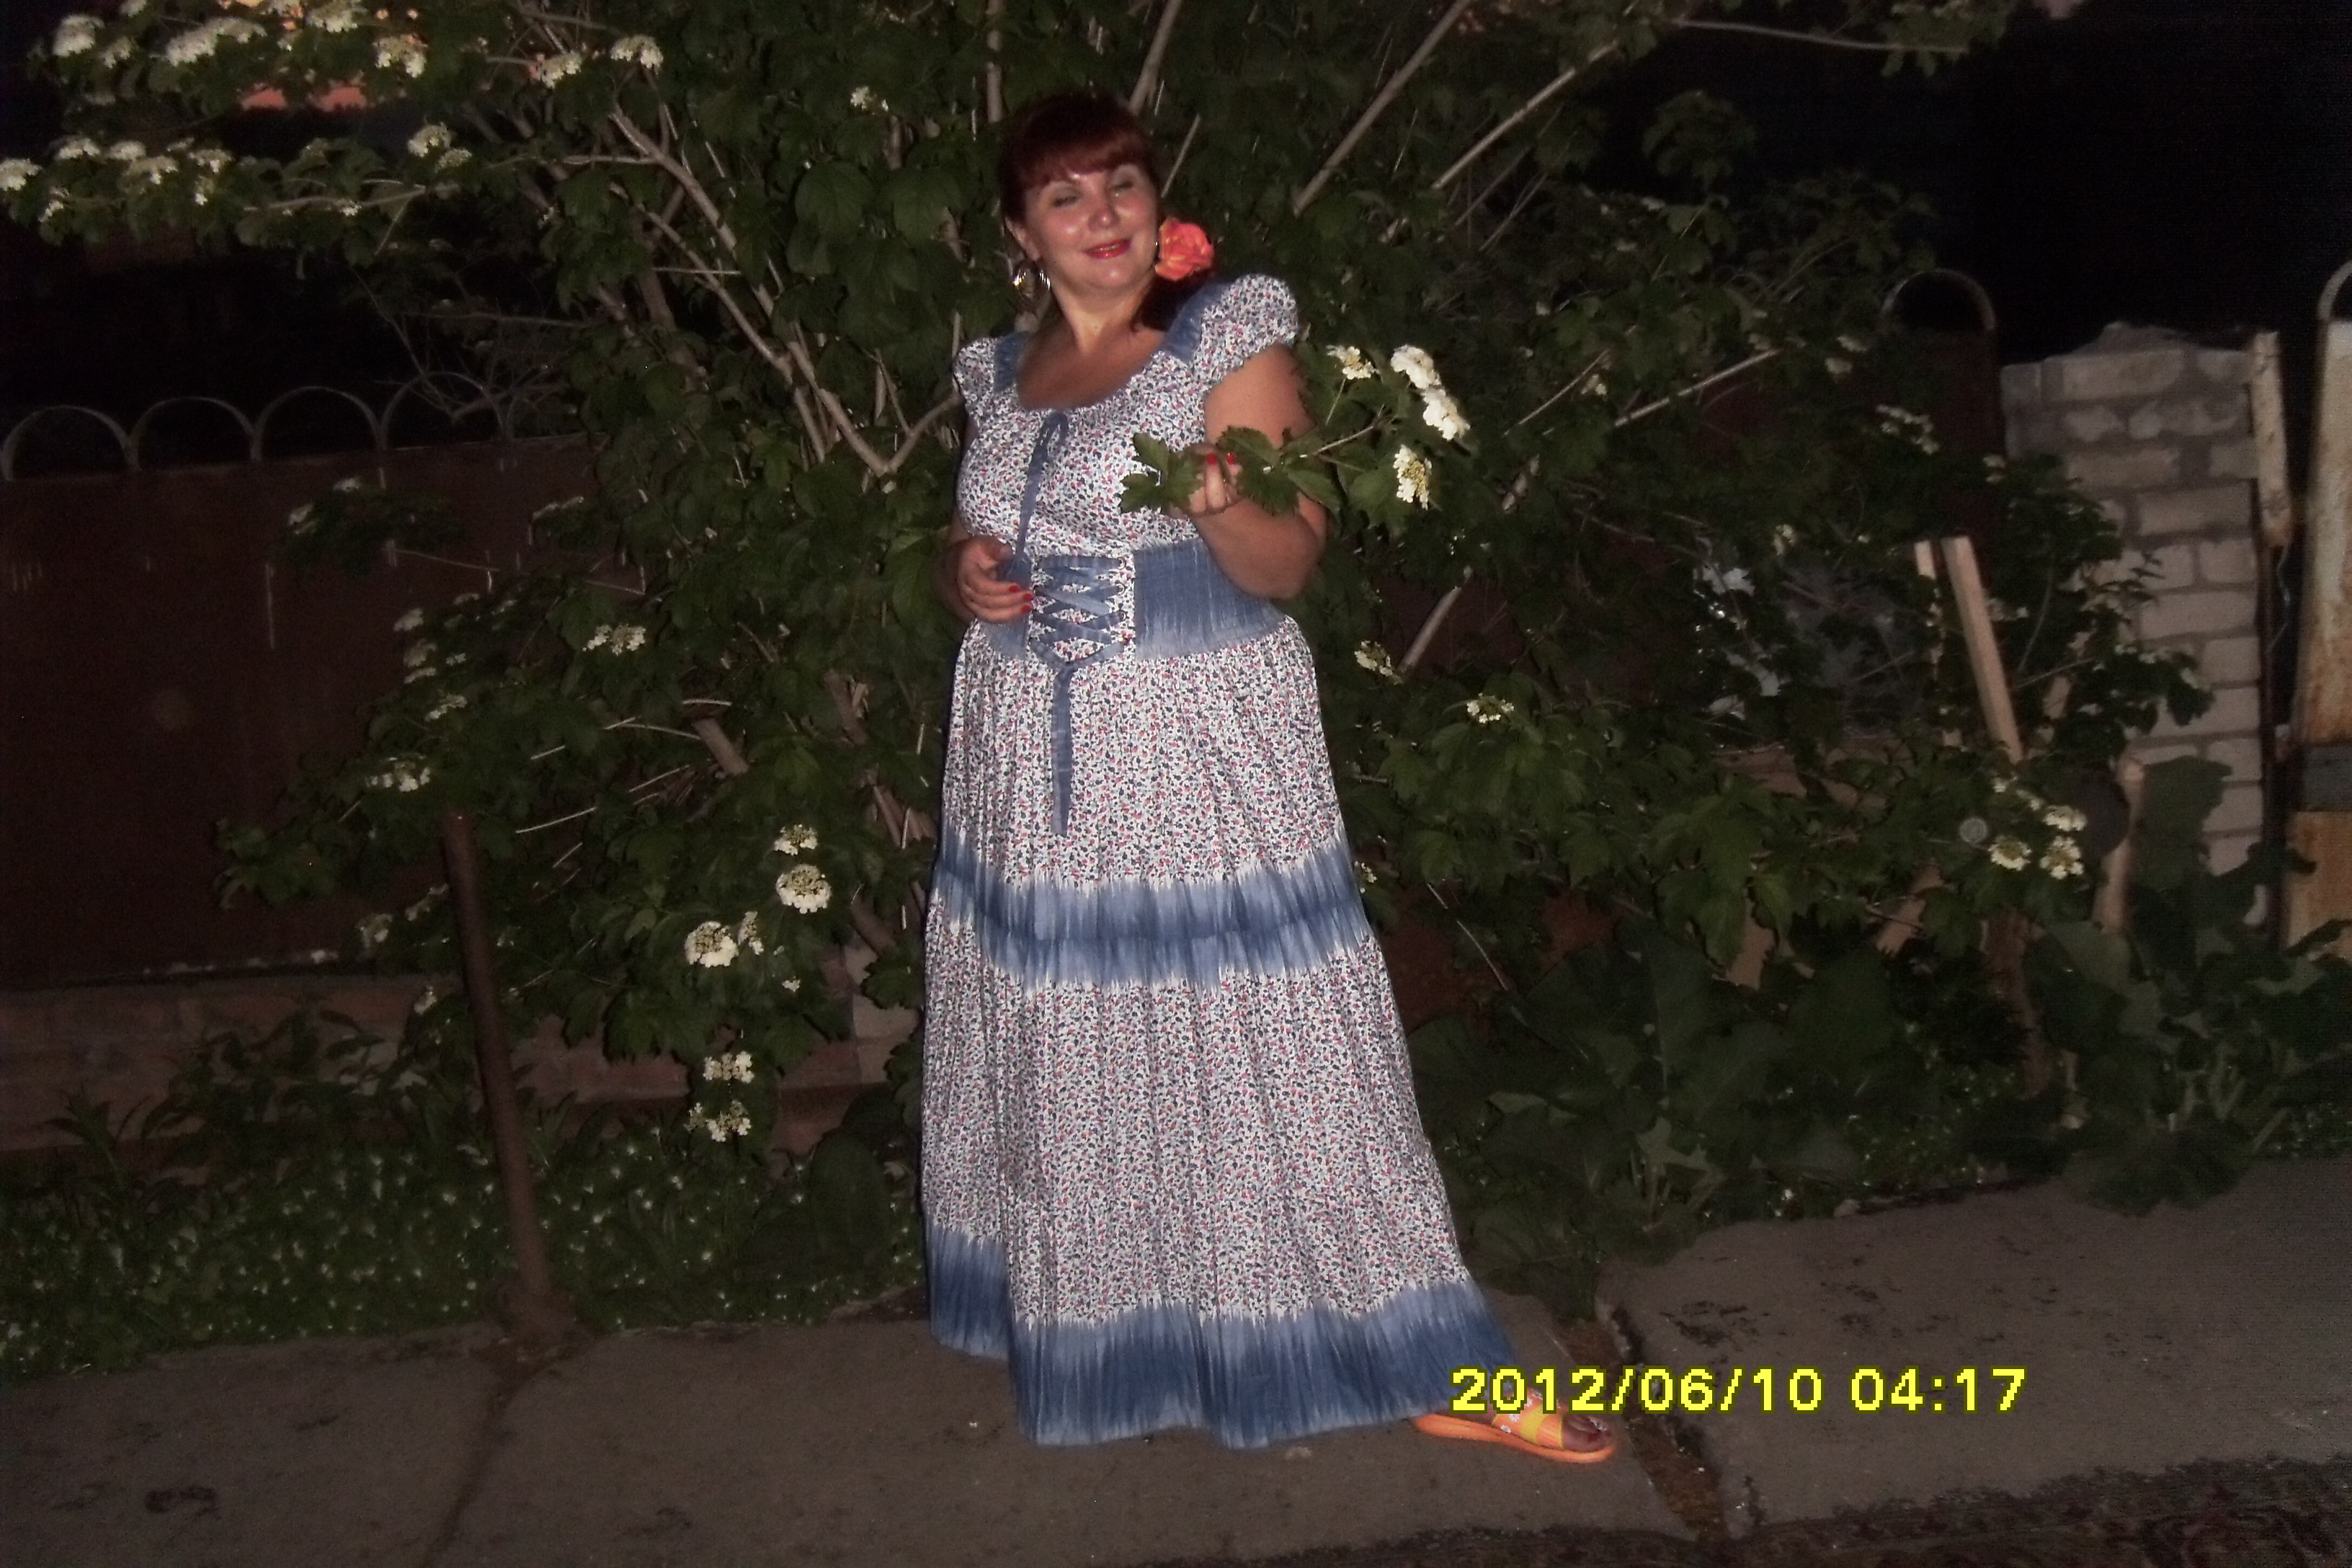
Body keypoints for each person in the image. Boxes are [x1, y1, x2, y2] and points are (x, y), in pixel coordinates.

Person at [923, 88, 1613, 1464]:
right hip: (1029, 766)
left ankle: (1432, 1354)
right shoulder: (999, 375)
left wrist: (1221, 498)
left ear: (1156, 202)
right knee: (1079, 1048)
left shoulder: (1224, 338)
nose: (1103, 215)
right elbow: (971, 533)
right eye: (1067, 196)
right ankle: (1128, 1335)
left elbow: (1290, 562)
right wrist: (968, 573)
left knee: (1282, 1047)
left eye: (1122, 184)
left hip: (1196, 741)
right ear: (1023, 234)